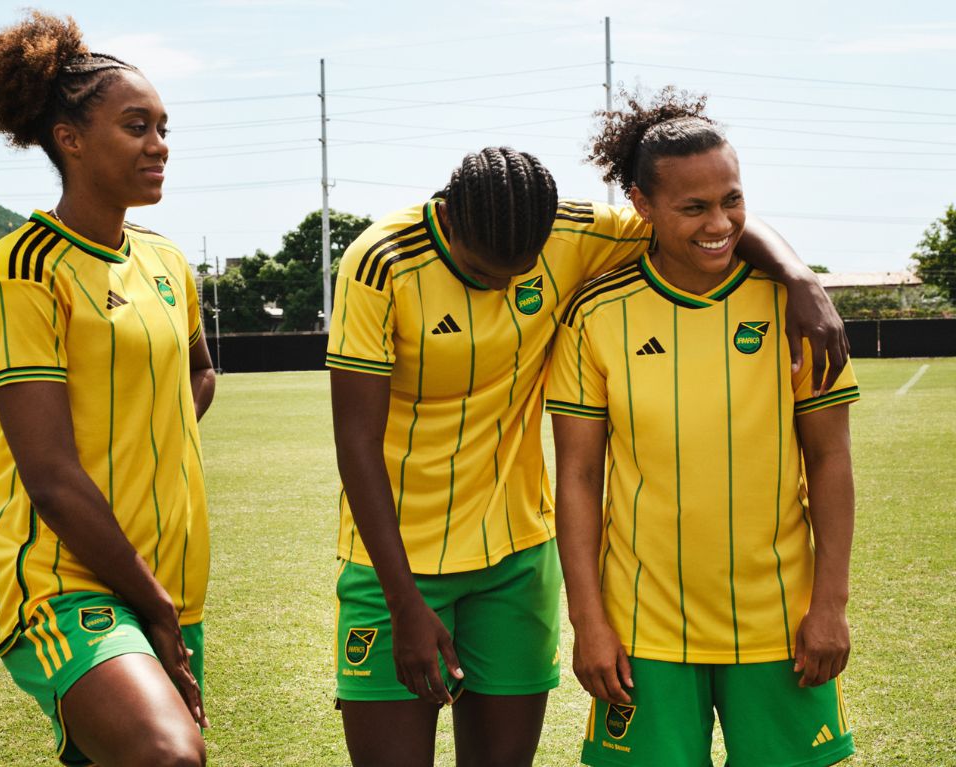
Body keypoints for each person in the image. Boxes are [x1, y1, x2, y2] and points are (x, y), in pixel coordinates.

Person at [326, 143, 850, 766]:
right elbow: (356, 443)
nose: (509, 282)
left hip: (516, 558)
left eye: (524, 267)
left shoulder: (568, 231)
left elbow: (705, 219)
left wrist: (799, 276)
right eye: (489, 269)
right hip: (396, 565)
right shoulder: (380, 263)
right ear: (451, 221)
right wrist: (403, 603)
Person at [546, 86, 858, 767]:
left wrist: (830, 604)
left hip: (781, 624)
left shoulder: (797, 310)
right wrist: (589, 621)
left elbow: (831, 459)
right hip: (643, 630)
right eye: (694, 207)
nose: (720, 222)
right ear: (642, 206)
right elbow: (577, 477)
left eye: (732, 200)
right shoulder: (596, 315)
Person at [0, 12, 214, 767]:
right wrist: (153, 600)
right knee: (169, 755)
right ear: (69, 139)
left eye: (164, 127)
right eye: (136, 126)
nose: (160, 145)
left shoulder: (167, 261)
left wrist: (148, 437)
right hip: (63, 580)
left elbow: (200, 368)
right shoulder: (21, 272)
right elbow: (50, 479)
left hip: (168, 571)